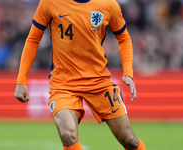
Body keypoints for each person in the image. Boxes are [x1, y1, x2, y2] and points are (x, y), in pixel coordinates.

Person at [14, 0, 146, 150]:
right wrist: (21, 81)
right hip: (63, 84)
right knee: (67, 133)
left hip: (99, 82)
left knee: (128, 139)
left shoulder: (108, 4)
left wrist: (128, 72)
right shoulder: (50, 2)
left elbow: (123, 38)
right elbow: (33, 39)